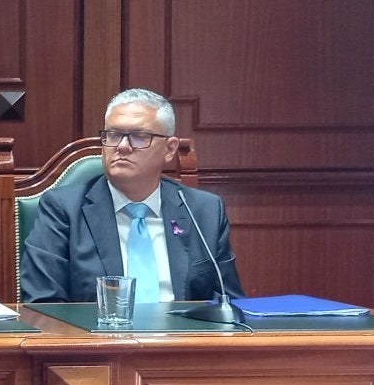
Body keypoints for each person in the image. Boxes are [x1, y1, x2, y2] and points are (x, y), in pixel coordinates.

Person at [19, 88, 244, 305]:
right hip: (96, 340)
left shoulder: (204, 211)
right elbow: (44, 304)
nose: (123, 147)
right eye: (114, 135)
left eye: (139, 136)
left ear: (169, 149)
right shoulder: (63, 209)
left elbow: (228, 303)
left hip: (182, 341)